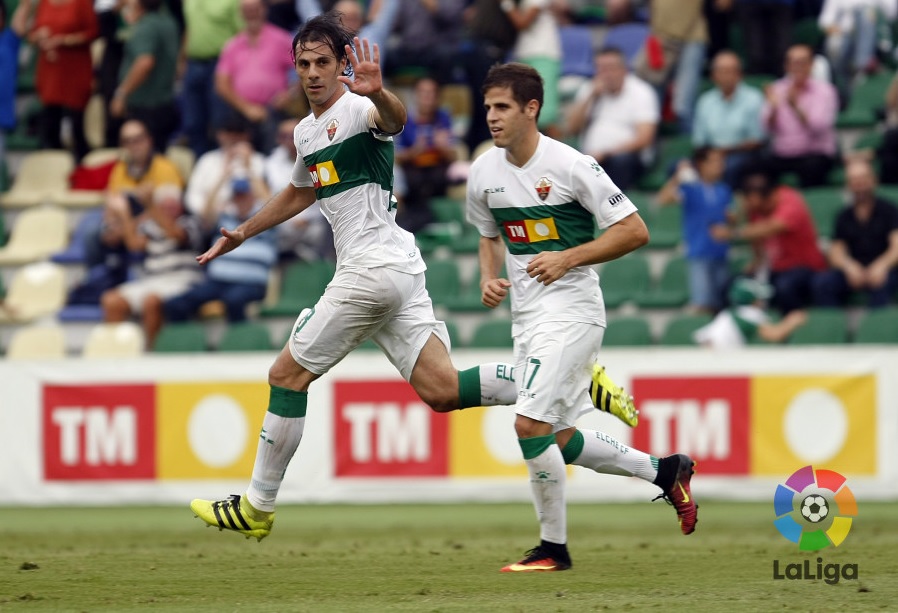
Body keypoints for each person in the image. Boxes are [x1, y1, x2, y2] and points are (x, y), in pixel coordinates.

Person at [188, 14, 640, 543]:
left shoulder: (359, 108)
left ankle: (258, 505)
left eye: (323, 63)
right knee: (443, 389)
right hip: (398, 270)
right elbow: (300, 190)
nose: (312, 73)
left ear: (342, 67)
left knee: (286, 376)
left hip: (371, 270)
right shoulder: (307, 132)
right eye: (304, 64)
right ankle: (573, 379)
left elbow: (395, 121)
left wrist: (380, 94)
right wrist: (243, 231)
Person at [467, 62, 698, 573]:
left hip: (573, 312)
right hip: (527, 318)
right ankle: (665, 471)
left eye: (502, 106)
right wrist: (489, 277)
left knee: (529, 424)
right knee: (562, 438)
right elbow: (487, 232)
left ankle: (554, 549)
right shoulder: (483, 171)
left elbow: (635, 230)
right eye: (487, 107)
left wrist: (568, 257)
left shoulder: (572, 165)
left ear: (532, 109)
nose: (492, 117)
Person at [100, 184, 205, 348]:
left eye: (173, 205)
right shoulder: (151, 226)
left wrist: (150, 206)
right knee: (111, 300)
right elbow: (133, 244)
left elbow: (176, 235)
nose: (169, 209)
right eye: (165, 206)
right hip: (152, 280)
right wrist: (124, 213)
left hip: (182, 281)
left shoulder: (190, 223)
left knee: (151, 301)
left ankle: (152, 352)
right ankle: (115, 353)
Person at [164, 173, 278, 323]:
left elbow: (274, 206)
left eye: (244, 195)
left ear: (253, 196)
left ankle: (239, 343)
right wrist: (223, 176)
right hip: (218, 280)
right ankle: (191, 343)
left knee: (233, 300)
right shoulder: (224, 218)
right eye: (237, 196)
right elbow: (205, 213)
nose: (241, 199)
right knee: (175, 304)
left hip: (250, 282)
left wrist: (250, 170)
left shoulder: (265, 221)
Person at [711, 165, 827, 313]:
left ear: (754, 197)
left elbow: (773, 227)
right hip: (775, 270)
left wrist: (733, 233)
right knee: (731, 287)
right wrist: (739, 217)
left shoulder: (790, 200)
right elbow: (757, 239)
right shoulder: (755, 210)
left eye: (746, 198)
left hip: (805, 268)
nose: (744, 202)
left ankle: (791, 329)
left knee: (785, 286)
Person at [566, 47, 660, 190]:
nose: (606, 74)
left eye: (610, 68)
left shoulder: (641, 91)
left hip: (626, 159)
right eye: (601, 69)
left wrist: (605, 153)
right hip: (591, 158)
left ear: (624, 70)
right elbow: (572, 129)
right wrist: (592, 96)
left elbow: (644, 138)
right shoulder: (589, 89)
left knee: (620, 162)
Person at [812, 159, 898, 308]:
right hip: (855, 269)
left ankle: (875, 327)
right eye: (854, 180)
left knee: (883, 283)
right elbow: (836, 250)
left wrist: (882, 266)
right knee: (823, 283)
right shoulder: (843, 216)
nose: (860, 185)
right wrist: (848, 266)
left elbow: (896, 247)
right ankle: (833, 326)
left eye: (863, 179)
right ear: (848, 185)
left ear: (874, 181)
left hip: (885, 268)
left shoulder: (889, 210)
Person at [656, 147, 732, 313]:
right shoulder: (690, 188)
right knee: (702, 303)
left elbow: (729, 218)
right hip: (699, 252)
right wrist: (678, 177)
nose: (720, 166)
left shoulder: (724, 190)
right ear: (701, 164)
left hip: (721, 252)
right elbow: (663, 199)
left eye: (721, 162)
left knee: (721, 304)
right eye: (714, 162)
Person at [215, 0, 298, 154]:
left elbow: (302, 70)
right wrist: (246, 108)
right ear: (241, 13)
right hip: (240, 111)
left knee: (273, 152)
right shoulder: (233, 44)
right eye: (246, 9)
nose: (251, 13)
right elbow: (222, 83)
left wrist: (289, 94)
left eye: (254, 9)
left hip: (273, 110)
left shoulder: (281, 39)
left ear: (264, 10)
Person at [23, 0, 99, 161]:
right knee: (51, 127)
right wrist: (39, 37)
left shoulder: (81, 3)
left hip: (74, 72)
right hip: (50, 72)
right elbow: (30, 34)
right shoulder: (44, 3)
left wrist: (62, 40)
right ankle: (55, 170)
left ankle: (82, 171)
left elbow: (92, 32)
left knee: (77, 127)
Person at [761, 44, 839, 188]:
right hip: (783, 154)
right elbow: (767, 130)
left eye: (802, 62)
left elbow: (819, 128)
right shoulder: (777, 89)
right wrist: (773, 109)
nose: (798, 67)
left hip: (814, 152)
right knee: (757, 167)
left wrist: (796, 107)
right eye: (793, 63)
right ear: (786, 66)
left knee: (812, 167)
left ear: (811, 65)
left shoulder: (825, 91)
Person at [111, 0, 180, 152]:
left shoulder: (146, 27)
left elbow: (145, 62)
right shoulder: (169, 22)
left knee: (144, 158)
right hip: (165, 102)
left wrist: (121, 94)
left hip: (145, 107)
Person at [692, 50, 766, 188]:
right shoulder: (705, 101)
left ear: (739, 74)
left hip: (743, 154)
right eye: (721, 71)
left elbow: (758, 140)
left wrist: (723, 152)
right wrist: (712, 157)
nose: (725, 76)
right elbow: (699, 142)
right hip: (711, 154)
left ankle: (724, 205)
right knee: (680, 167)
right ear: (713, 75)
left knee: (730, 166)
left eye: (730, 71)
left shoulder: (753, 98)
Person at [394, 76, 457, 234]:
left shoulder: (443, 118)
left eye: (431, 93)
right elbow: (397, 156)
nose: (427, 98)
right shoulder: (405, 119)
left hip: (438, 170)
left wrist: (443, 148)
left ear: (437, 97)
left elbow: (453, 154)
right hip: (413, 170)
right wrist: (414, 151)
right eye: (423, 93)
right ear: (415, 95)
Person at [181, 0, 243, 157]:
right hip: (193, 62)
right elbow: (190, 28)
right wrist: (181, 60)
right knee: (193, 121)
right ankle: (201, 165)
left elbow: (241, 34)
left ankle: (222, 164)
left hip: (220, 64)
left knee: (219, 121)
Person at [264, 117, 330, 261]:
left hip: (315, 223)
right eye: (284, 136)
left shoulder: (323, 158)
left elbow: (329, 195)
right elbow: (270, 195)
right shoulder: (271, 163)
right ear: (278, 139)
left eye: (293, 135)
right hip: (283, 223)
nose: (289, 140)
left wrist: (307, 218)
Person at [185, 113, 268, 219]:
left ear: (247, 135)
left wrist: (249, 167)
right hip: (214, 220)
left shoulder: (259, 160)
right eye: (229, 132)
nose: (233, 137)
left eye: (239, 132)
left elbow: (269, 201)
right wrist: (224, 174)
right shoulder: (207, 160)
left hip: (255, 218)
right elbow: (192, 197)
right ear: (219, 134)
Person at [693, 276, 807, 348]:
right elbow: (774, 335)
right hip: (720, 361)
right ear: (752, 300)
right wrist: (793, 321)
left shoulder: (727, 314)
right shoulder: (749, 313)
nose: (762, 302)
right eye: (759, 299)